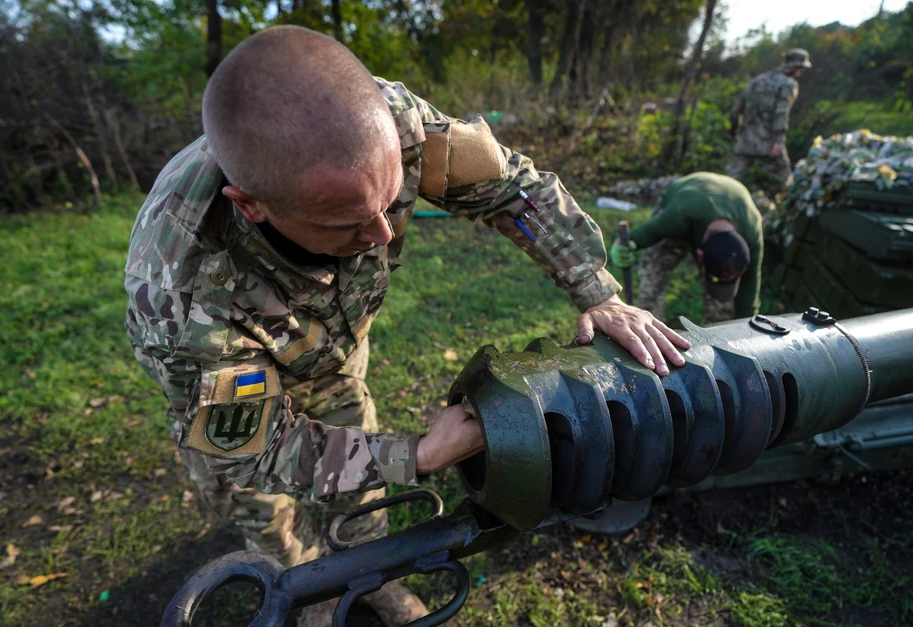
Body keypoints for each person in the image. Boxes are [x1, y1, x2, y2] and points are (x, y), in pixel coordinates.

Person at [123, 25, 689, 626]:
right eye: (346, 225)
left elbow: (513, 190)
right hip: (240, 385)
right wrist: (417, 455)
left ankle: (370, 572)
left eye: (391, 200)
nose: (382, 237)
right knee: (269, 512)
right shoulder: (181, 291)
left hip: (334, 353)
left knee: (357, 462)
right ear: (251, 205)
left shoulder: (398, 124)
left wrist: (595, 289)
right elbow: (253, 448)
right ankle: (305, 590)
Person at [609, 172, 763, 324]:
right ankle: (650, 325)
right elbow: (651, 231)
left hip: (729, 203)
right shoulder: (679, 214)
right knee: (653, 266)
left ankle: (716, 330)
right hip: (688, 195)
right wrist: (626, 243)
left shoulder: (751, 236)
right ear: (699, 255)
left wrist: (748, 327)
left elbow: (750, 287)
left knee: (723, 302)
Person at [727, 48, 811, 201]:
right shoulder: (788, 84)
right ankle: (784, 215)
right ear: (794, 66)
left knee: (729, 182)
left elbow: (737, 108)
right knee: (787, 185)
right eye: (801, 69)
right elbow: (781, 113)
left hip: (745, 141)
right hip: (769, 144)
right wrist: (778, 141)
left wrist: (734, 129)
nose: (801, 73)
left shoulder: (756, 80)